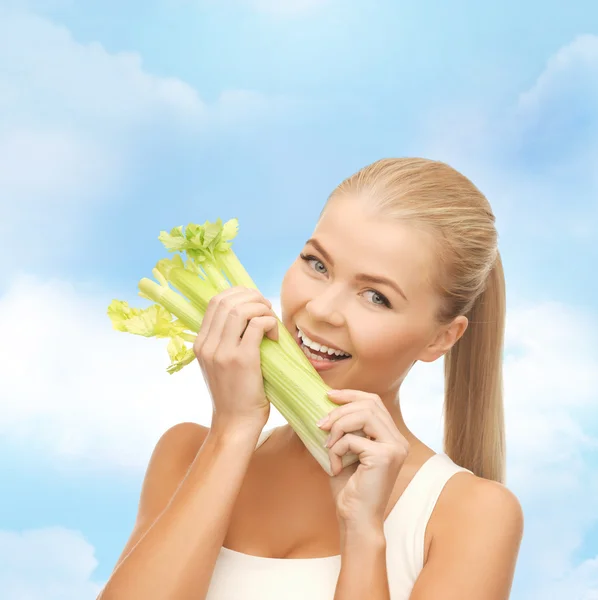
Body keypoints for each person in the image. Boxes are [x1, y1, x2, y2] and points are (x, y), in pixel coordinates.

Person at [99, 158, 524, 600]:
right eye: (317, 265)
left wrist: (363, 534)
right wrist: (233, 429)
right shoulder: (186, 455)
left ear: (440, 339)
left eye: (376, 296)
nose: (320, 309)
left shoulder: (470, 516)